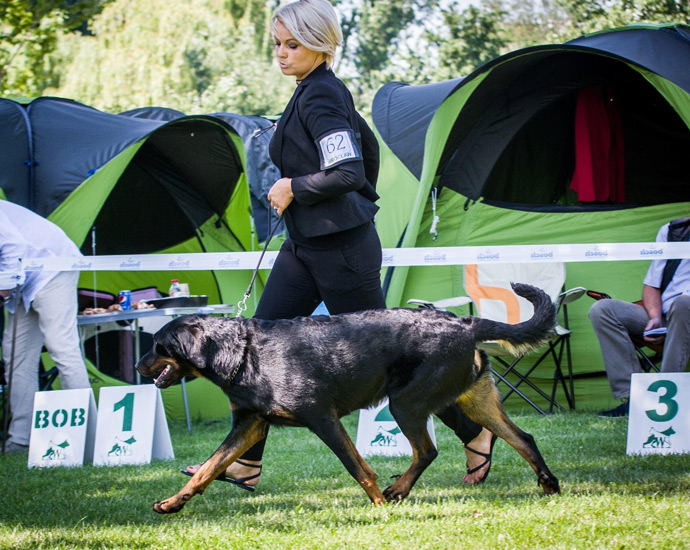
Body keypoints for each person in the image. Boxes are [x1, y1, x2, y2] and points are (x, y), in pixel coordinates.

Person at [183, 0, 496, 489]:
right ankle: (246, 462)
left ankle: (474, 433)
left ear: (321, 45)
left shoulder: (321, 95)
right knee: (256, 349)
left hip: (342, 252)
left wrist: (294, 188)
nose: (281, 55)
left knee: (395, 363)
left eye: (293, 45)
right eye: (278, 44)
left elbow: (349, 172)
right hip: (304, 246)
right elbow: (363, 155)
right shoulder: (309, 90)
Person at [0, 200, 91, 453]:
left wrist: (2, 292)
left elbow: (13, 246)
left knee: (61, 347)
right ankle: (20, 439)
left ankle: (87, 432)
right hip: (22, 280)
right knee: (15, 354)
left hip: (53, 267)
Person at [589, 217, 690, 417]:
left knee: (683, 303)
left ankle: (667, 395)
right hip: (668, 315)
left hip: (684, 309)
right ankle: (633, 398)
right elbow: (652, 284)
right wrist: (654, 317)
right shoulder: (673, 231)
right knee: (603, 309)